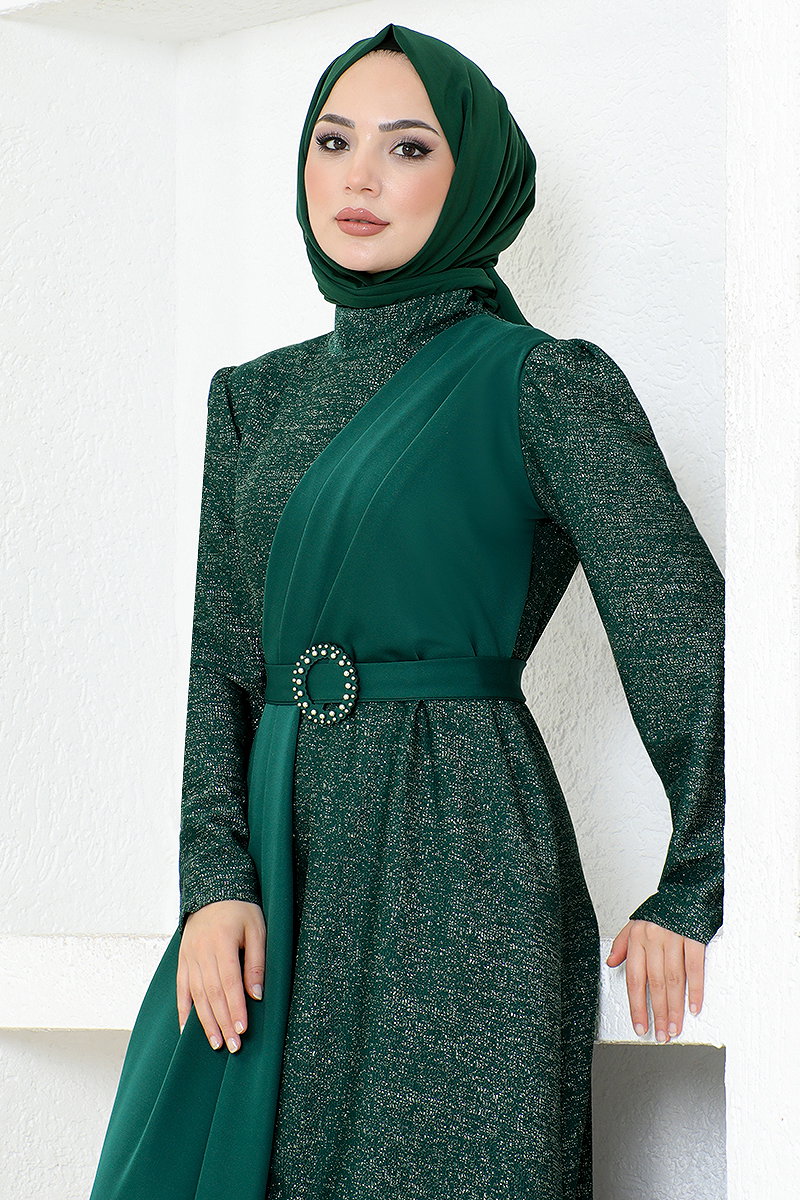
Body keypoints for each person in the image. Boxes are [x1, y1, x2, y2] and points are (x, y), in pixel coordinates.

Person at [88, 21, 725, 1200]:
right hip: (281, 871)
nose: (360, 177)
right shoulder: (253, 401)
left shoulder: (540, 383)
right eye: (332, 142)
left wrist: (696, 884)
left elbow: (689, 639)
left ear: (472, 178)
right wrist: (213, 882)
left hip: (464, 868)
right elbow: (223, 664)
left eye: (408, 147)